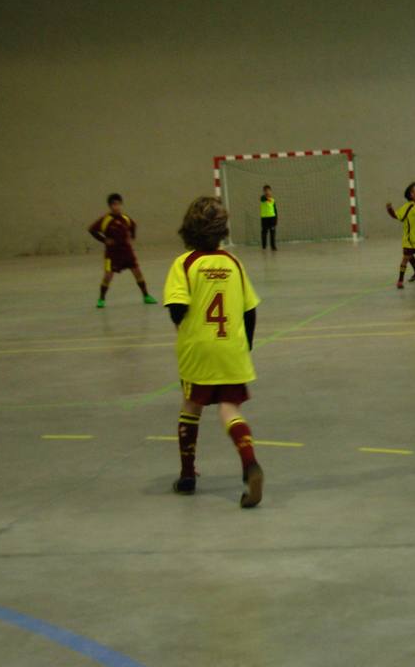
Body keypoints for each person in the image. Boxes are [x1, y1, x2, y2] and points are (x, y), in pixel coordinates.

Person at [163, 196, 265, 507]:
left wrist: (185, 327)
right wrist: (244, 344)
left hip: (199, 350)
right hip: (232, 349)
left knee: (190, 407)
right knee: (229, 409)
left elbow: (177, 308)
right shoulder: (234, 263)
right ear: (222, 230)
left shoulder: (185, 264)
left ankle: (187, 475)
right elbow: (250, 311)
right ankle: (249, 462)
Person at [88, 193, 157, 308]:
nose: (117, 207)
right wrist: (104, 240)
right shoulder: (105, 220)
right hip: (112, 253)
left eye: (118, 204)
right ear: (110, 206)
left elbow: (133, 226)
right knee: (108, 276)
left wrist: (132, 237)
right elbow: (92, 230)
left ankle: (146, 296)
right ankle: (101, 299)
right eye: (114, 204)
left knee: (137, 272)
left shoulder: (125, 218)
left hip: (127, 252)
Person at [259, 185, 278, 251]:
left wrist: (276, 219)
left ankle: (273, 246)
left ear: (271, 191)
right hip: (264, 218)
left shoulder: (273, 200)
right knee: (264, 232)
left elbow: (275, 210)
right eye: (266, 191)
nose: (267, 192)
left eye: (268, 190)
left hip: (272, 218)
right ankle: (264, 246)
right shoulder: (262, 198)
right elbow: (264, 198)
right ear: (264, 192)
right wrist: (267, 197)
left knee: (272, 233)